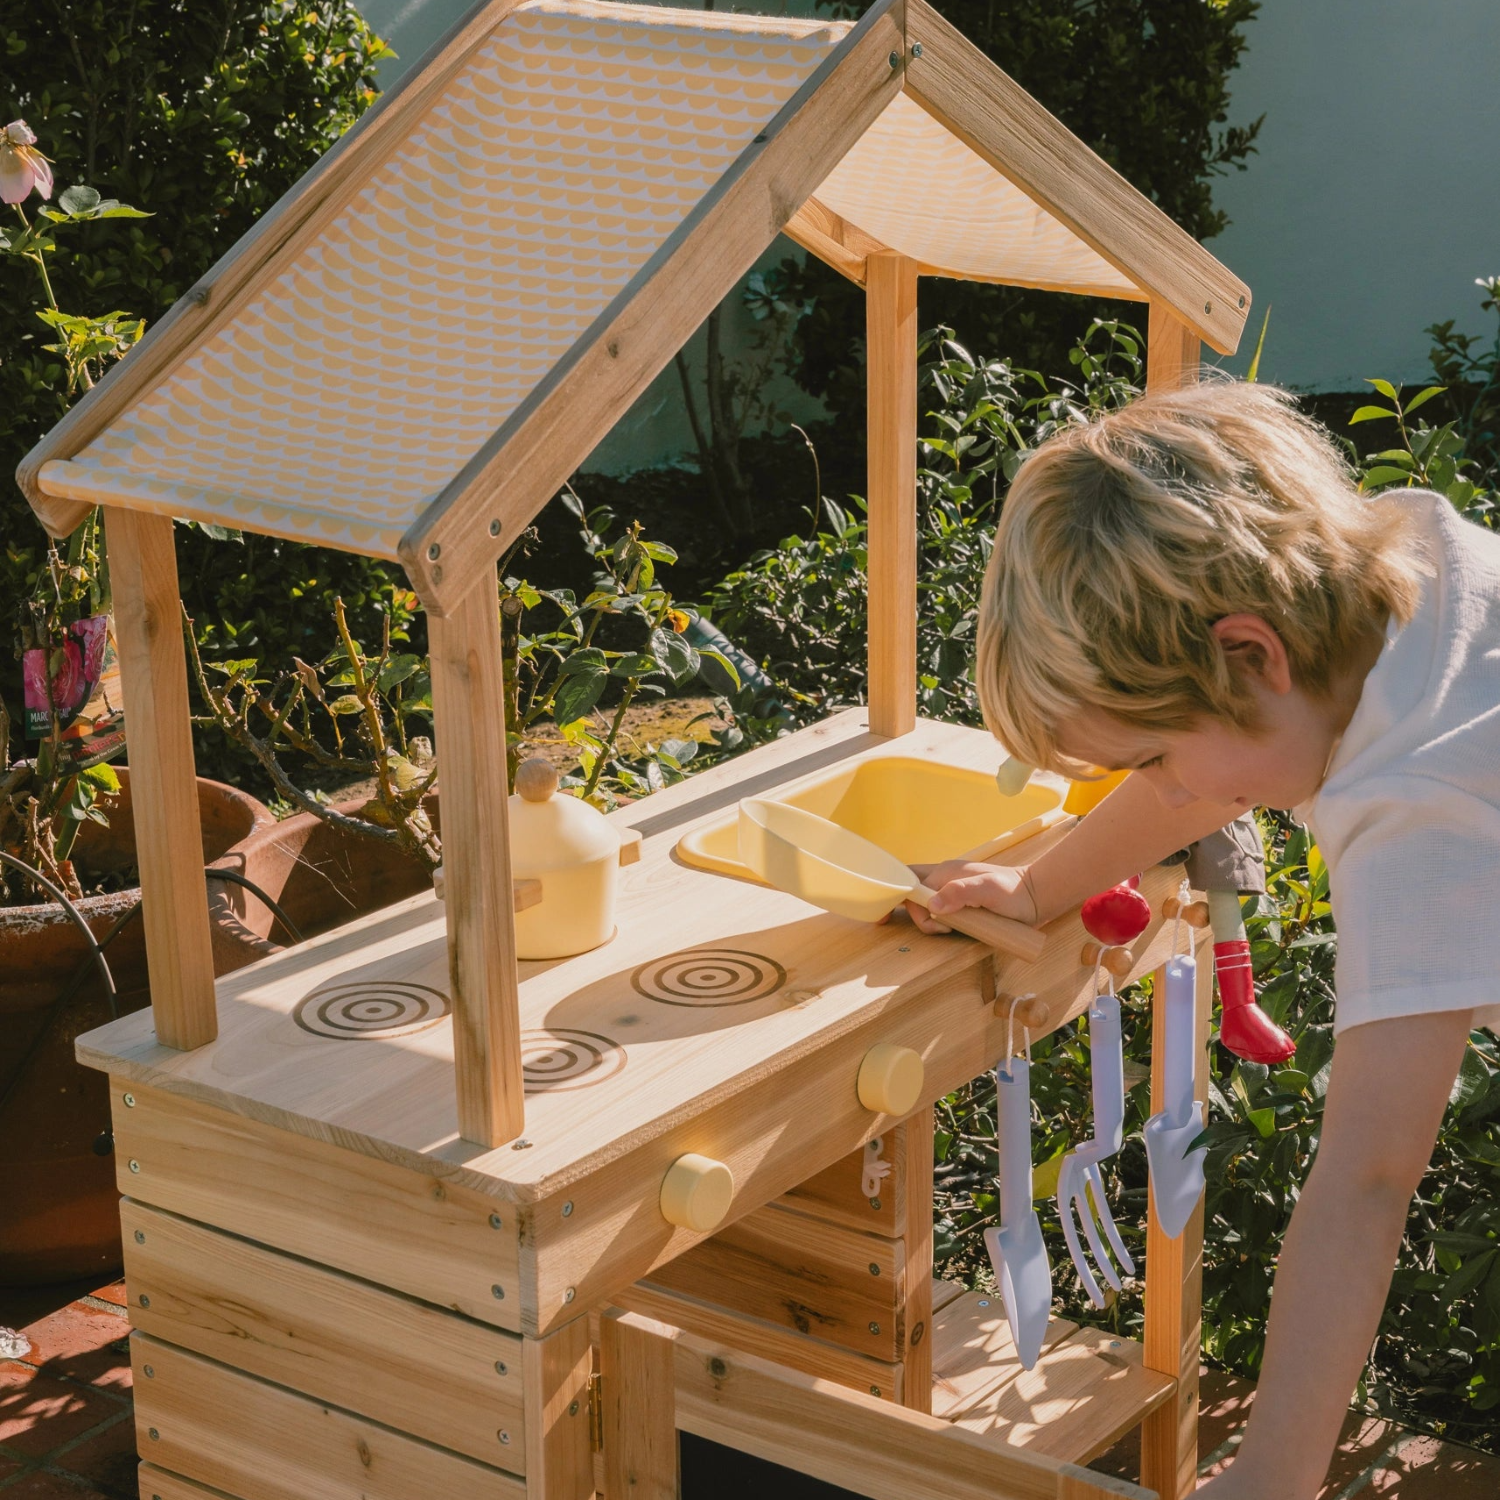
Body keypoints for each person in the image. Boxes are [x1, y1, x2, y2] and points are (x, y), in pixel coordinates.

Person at [908, 379, 1499, 1499]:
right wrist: (1039, 887)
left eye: (1148, 758)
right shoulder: (1416, 577)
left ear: (1251, 655)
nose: (1155, 792)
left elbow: (1371, 1179)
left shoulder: (1421, 812)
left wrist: (1273, 1472)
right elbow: (1202, 783)